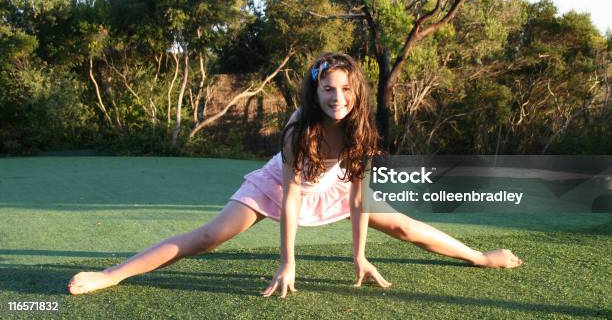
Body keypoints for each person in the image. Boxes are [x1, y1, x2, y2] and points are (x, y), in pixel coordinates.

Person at [68, 52, 523, 297]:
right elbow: (288, 200)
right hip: (281, 186)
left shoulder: (361, 128)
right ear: (315, 90)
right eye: (328, 89)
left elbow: (360, 200)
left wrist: (359, 256)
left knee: (403, 225)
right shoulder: (296, 128)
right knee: (208, 236)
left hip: (336, 185)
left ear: (356, 92)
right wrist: (288, 261)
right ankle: (113, 274)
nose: (337, 97)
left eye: (346, 89)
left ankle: (480, 256)